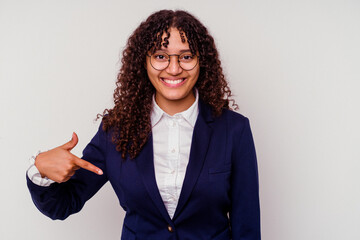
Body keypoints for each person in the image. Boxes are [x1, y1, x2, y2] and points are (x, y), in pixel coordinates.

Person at [26, 9, 261, 240]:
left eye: (186, 56)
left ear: (202, 62)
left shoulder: (234, 130)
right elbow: (64, 204)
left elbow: (247, 226)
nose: (174, 68)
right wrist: (40, 169)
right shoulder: (116, 130)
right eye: (160, 56)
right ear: (144, 62)